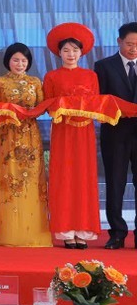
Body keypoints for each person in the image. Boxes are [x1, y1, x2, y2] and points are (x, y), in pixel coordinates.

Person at [44, 23, 101, 249]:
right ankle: (66, 230)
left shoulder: (91, 76)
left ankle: (83, 231)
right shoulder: (52, 76)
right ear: (59, 52)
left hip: (85, 132)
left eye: (74, 50)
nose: (70, 54)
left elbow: (96, 103)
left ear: (81, 52)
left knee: (83, 177)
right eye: (66, 50)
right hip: (63, 130)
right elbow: (48, 106)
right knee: (64, 177)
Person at [0, 43, 51, 247]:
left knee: (32, 182)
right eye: (15, 60)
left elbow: (43, 106)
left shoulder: (36, 82)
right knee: (8, 180)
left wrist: (31, 112)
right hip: (7, 137)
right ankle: (8, 233)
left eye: (24, 61)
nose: (19, 64)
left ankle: (34, 232)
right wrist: (8, 110)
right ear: (8, 61)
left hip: (30, 136)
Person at [94, 22, 137, 250]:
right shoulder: (103, 66)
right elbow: (98, 101)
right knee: (115, 183)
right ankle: (117, 233)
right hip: (115, 133)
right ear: (119, 41)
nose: (134, 49)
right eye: (130, 44)